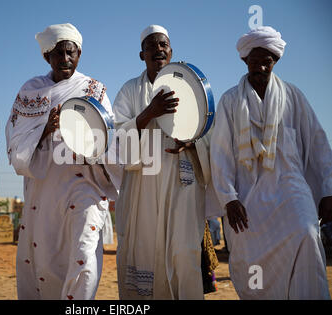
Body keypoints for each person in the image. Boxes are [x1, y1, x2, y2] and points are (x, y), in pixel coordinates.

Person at [210, 26, 332, 299]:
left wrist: (328, 190)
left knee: (307, 234)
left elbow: (319, 143)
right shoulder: (231, 100)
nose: (261, 67)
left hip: (291, 188)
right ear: (245, 61)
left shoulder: (293, 96)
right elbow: (220, 153)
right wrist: (228, 198)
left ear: (275, 61)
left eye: (267, 61)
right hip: (247, 195)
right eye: (255, 61)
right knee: (250, 255)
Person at [5, 23, 122, 300]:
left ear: (79, 54)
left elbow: (111, 138)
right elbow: (14, 141)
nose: (65, 59)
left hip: (86, 185)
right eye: (58, 54)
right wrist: (45, 127)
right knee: (46, 263)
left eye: (71, 53)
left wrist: (86, 140)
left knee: (85, 255)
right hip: (44, 191)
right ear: (47, 56)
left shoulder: (94, 89)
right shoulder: (30, 92)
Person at [112, 25, 213, 299]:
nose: (158, 49)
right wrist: (149, 112)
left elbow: (209, 130)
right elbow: (116, 139)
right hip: (142, 188)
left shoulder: (190, 84)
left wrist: (193, 142)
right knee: (144, 250)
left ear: (171, 51)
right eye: (152, 46)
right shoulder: (130, 90)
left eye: (163, 45)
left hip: (183, 184)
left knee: (183, 252)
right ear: (141, 54)